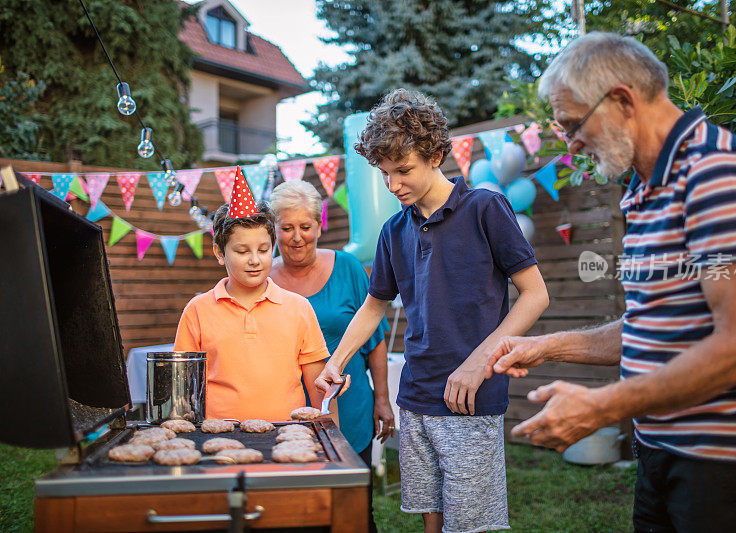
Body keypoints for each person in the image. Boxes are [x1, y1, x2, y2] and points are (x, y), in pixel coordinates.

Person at [486, 32, 736, 532]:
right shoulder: (644, 189)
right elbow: (650, 328)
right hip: (662, 450)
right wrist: (545, 347)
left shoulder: (718, 174)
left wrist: (601, 405)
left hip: (731, 463)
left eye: (573, 125)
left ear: (622, 100)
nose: (570, 143)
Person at [315, 88, 550, 533]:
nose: (392, 185)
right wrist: (336, 362)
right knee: (432, 520)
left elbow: (536, 294)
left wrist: (480, 363)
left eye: (402, 170)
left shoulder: (484, 207)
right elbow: (372, 306)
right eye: (384, 174)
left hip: (470, 397)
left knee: (470, 526)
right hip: (416, 397)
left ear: (436, 153)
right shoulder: (393, 230)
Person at [269, 179, 393, 533]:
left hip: (351, 409)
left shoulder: (349, 267)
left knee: (353, 512)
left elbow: (376, 340)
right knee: (299, 513)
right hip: (286, 412)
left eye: (305, 227)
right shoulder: (263, 277)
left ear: (319, 225)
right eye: (287, 227)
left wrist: (382, 400)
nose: (296, 237)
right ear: (274, 229)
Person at [174, 169, 330, 421]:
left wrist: (331, 441)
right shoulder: (197, 310)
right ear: (219, 252)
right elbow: (183, 389)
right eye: (242, 251)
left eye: (263, 249)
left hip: (289, 437)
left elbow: (318, 389)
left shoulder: (299, 308)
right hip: (218, 439)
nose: (255, 260)